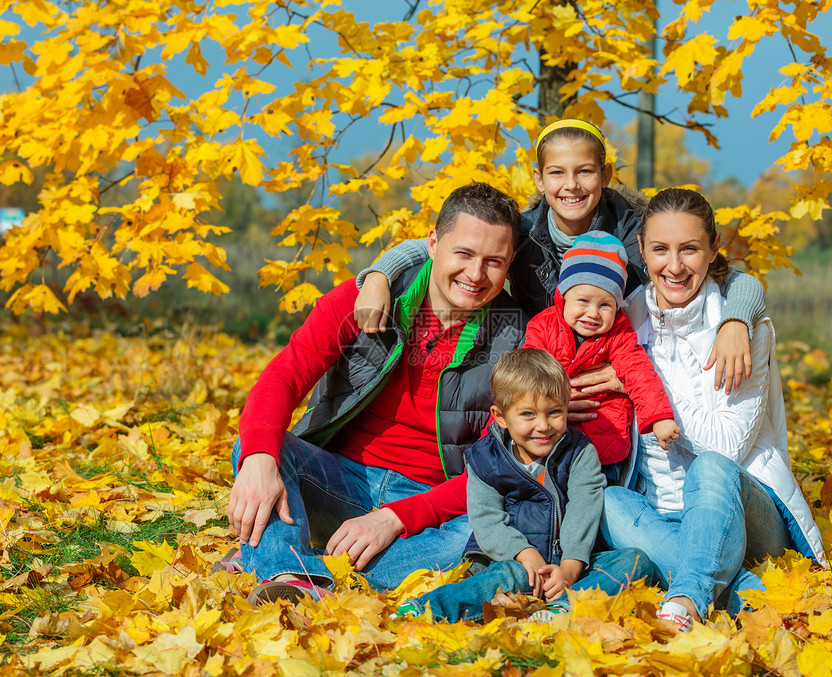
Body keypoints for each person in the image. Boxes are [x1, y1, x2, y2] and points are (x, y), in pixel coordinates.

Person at [226, 182, 529, 604]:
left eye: (493, 261)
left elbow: (495, 464)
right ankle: (290, 574)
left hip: (429, 506)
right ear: (432, 243)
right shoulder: (366, 297)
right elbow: (284, 376)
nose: (475, 274)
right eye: (463, 254)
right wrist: (261, 459)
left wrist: (393, 519)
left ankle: (294, 558)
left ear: (510, 262)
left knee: (490, 531)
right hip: (338, 478)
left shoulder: (520, 340)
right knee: (259, 446)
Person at [354, 119, 767, 422]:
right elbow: (445, 247)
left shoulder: (636, 230)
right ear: (539, 179)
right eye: (557, 173)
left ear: (605, 175)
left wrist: (735, 319)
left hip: (627, 367)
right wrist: (378, 275)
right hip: (551, 372)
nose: (571, 185)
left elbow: (730, 274)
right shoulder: (527, 232)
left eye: (585, 171)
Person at [599, 188, 826, 632]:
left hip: (744, 507)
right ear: (641, 249)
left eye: (690, 249)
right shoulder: (621, 318)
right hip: (658, 510)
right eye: (661, 249)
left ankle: (687, 597)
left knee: (711, 469)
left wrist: (642, 380)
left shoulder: (742, 327)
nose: (675, 266)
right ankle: (739, 589)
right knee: (605, 500)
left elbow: (726, 447)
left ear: (713, 248)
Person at [393, 348, 651, 622]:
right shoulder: (486, 458)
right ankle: (427, 609)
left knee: (635, 561)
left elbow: (584, 507)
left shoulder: (578, 452)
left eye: (554, 412)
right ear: (500, 416)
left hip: (567, 565)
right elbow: (487, 520)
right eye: (528, 414)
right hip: (510, 561)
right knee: (509, 576)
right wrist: (524, 554)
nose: (543, 426)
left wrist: (570, 569)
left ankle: (560, 609)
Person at [523, 231, 679, 478]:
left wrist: (659, 418)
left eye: (605, 305)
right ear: (564, 296)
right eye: (583, 301)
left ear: (617, 307)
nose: (593, 313)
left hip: (603, 445)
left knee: (598, 500)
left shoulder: (619, 334)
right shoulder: (543, 327)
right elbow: (527, 375)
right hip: (552, 441)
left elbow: (640, 374)